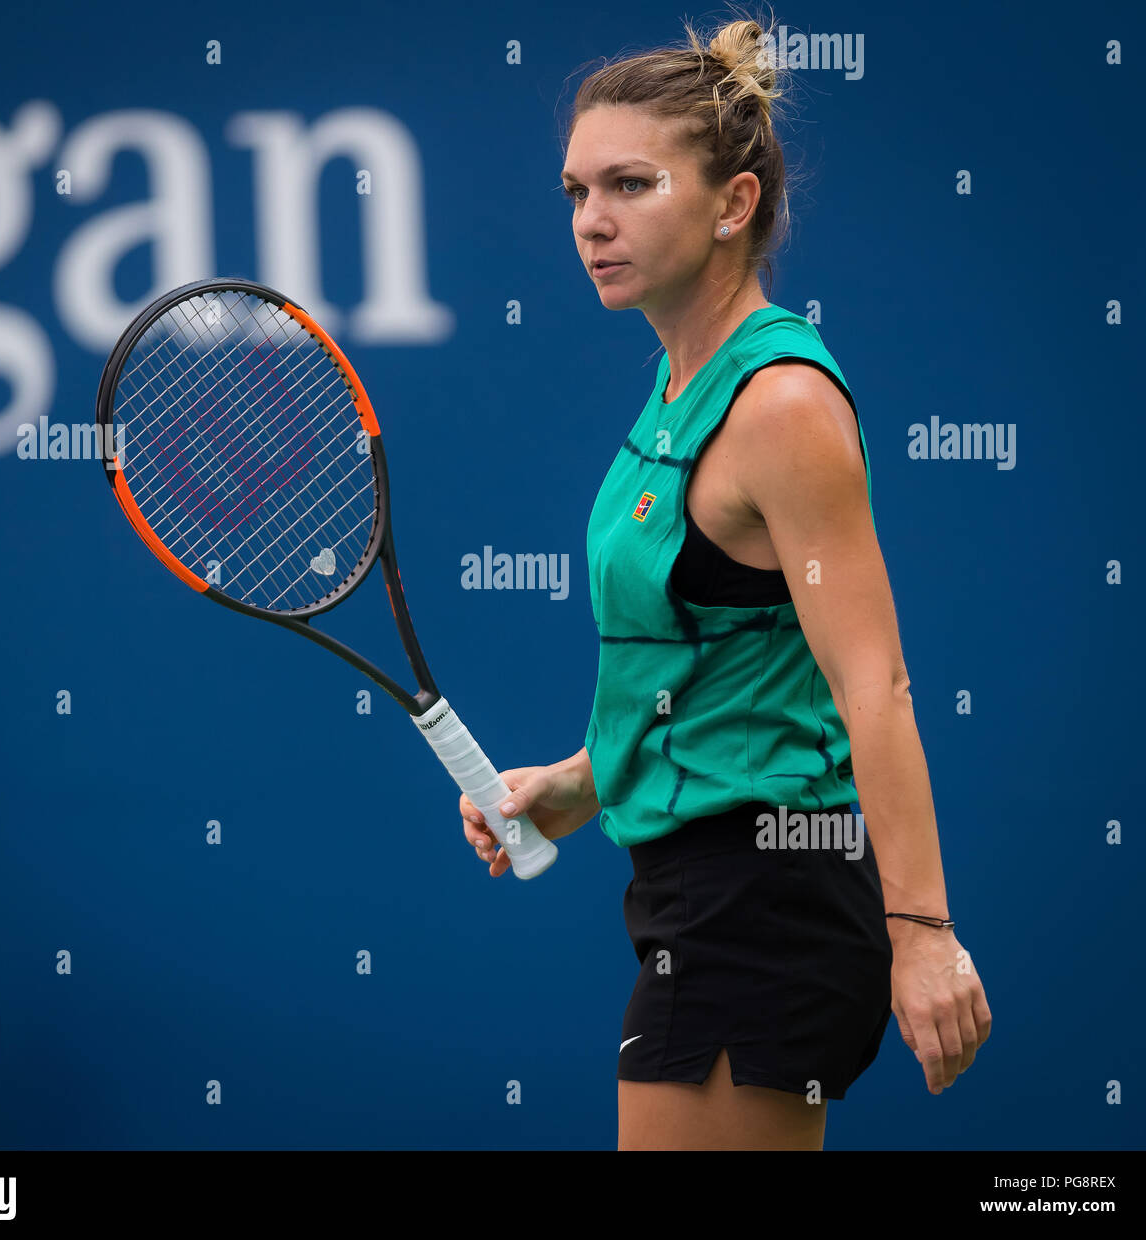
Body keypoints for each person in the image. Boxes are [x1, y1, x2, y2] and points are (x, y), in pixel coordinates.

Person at [459, 9, 991, 1151]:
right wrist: (578, 780)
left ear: (733, 204)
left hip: (768, 900)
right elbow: (715, 668)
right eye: (573, 191)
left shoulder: (781, 405)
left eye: (630, 185)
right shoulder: (678, 388)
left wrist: (924, 935)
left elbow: (872, 686)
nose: (590, 222)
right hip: (694, 890)